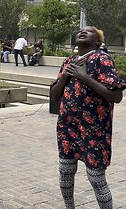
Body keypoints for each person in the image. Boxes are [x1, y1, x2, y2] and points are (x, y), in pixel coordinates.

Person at [50, 26, 125, 209]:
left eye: (90, 31)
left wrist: (84, 77)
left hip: (94, 131)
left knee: (96, 178)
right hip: (68, 128)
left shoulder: (102, 59)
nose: (83, 32)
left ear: (97, 41)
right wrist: (64, 77)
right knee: (65, 173)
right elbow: (55, 95)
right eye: (80, 31)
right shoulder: (70, 61)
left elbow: (116, 96)